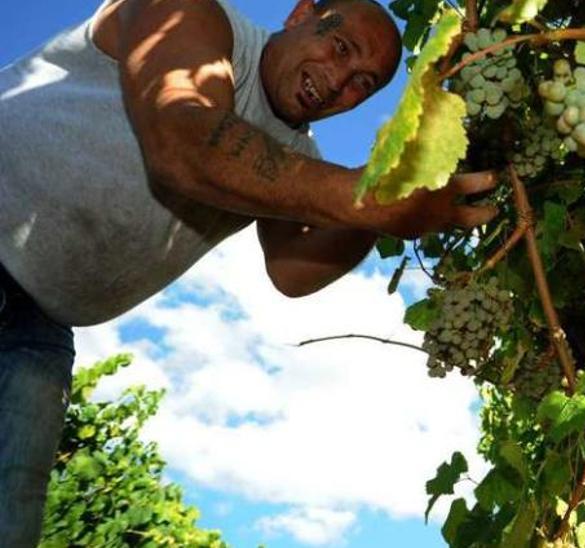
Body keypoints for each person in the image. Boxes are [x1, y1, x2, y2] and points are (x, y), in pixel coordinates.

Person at [0, 0, 496, 543]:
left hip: (38, 331)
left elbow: (293, 271)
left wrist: (405, 178)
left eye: (363, 83)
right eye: (340, 48)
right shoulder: (192, 17)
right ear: (302, 13)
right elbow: (185, 139)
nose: (338, 82)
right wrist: (371, 201)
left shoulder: (295, 155)